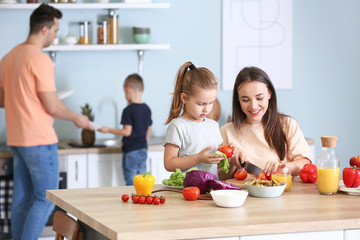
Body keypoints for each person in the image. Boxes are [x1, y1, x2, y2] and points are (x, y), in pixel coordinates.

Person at [0, 4, 92, 240]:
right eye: (55, 30)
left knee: (21, 200)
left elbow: (2, 101)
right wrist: (76, 117)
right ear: (44, 29)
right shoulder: (40, 60)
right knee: (44, 198)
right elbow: (51, 105)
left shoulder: (8, 57)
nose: (56, 35)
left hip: (17, 140)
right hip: (39, 140)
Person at [219, 66, 312, 180]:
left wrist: (286, 167)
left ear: (269, 94)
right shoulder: (226, 131)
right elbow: (219, 176)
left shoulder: (287, 124)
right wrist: (233, 164)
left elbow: (305, 163)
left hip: (282, 194)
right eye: (245, 100)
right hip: (243, 195)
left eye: (259, 98)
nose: (253, 106)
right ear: (238, 100)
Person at [164, 61, 224, 178]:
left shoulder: (213, 125)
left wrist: (228, 153)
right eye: (201, 104)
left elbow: (219, 165)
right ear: (185, 98)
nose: (206, 109)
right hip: (187, 192)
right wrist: (198, 158)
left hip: (210, 191)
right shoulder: (177, 126)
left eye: (211, 102)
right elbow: (169, 164)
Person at [98, 73, 152, 186]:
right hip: (143, 150)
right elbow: (149, 129)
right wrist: (143, 142)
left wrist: (108, 129)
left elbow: (127, 132)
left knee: (131, 184)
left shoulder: (128, 110)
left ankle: (133, 202)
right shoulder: (146, 108)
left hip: (131, 151)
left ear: (128, 90)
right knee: (143, 182)